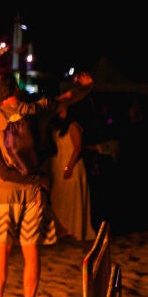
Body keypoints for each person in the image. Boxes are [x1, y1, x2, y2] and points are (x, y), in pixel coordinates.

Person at [0, 69, 92, 297]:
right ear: (16, 88)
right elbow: (67, 98)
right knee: (32, 252)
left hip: (2, 192)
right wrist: (86, 87)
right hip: (33, 190)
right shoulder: (38, 109)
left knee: (1, 252)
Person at [48, 103, 95, 241]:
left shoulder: (73, 126)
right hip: (61, 163)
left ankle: (72, 229)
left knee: (70, 197)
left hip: (72, 164)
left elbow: (77, 148)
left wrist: (69, 167)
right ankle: (63, 228)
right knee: (58, 198)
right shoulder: (59, 127)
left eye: (62, 109)